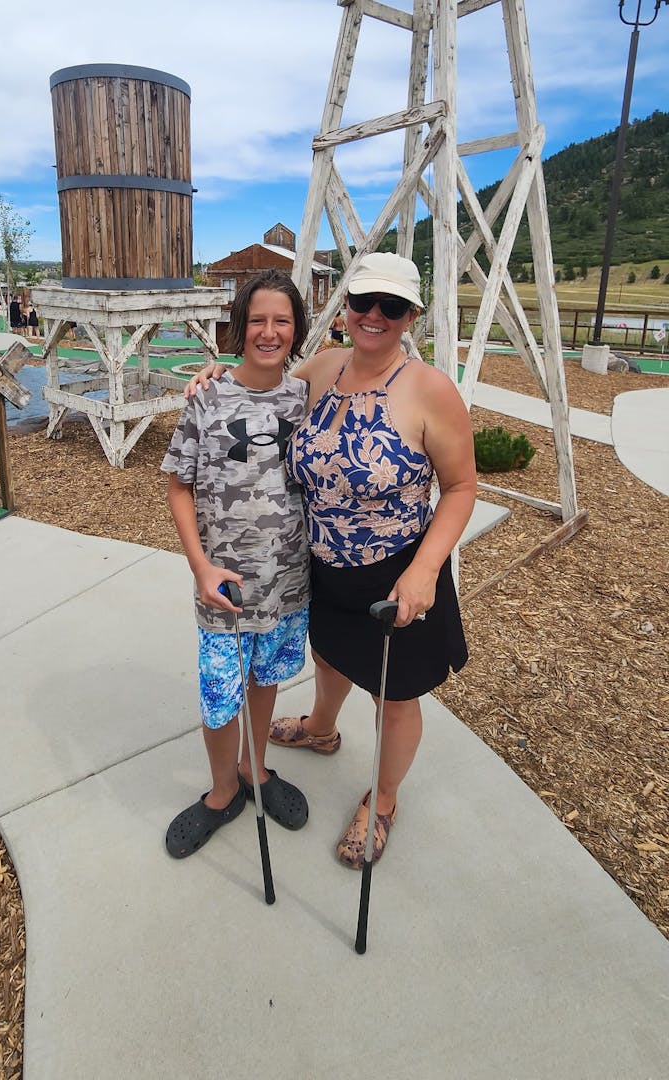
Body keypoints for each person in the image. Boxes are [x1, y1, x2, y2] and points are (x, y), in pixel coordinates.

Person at [187, 252, 476, 869]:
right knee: (330, 655)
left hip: (398, 570)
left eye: (391, 306)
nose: (374, 316)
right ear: (345, 307)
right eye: (363, 301)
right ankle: (322, 727)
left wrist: (425, 570)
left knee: (394, 695)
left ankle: (386, 800)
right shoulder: (322, 370)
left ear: (410, 316)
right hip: (320, 564)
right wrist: (214, 374)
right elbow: (259, 382)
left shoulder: (430, 390)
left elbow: (460, 488)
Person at [161, 269, 312, 858]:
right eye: (257, 320)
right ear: (238, 327)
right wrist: (199, 566)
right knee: (221, 693)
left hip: (289, 583)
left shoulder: (306, 398)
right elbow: (178, 484)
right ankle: (223, 791)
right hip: (224, 588)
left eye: (281, 321)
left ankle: (255, 769)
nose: (268, 332)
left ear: (296, 328)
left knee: (266, 678)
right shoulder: (209, 397)